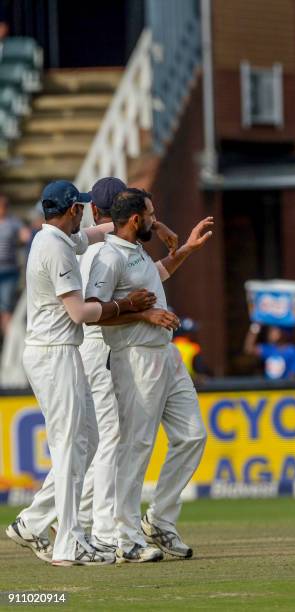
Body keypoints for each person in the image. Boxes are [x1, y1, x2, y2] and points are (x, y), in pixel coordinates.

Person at [5, 180, 155, 566]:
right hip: (55, 354)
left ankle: (33, 523)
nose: (86, 215)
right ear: (72, 209)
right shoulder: (56, 249)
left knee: (84, 440)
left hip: (58, 352)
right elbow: (81, 313)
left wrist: (130, 225)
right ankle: (68, 542)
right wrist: (126, 305)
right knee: (72, 447)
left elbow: (89, 234)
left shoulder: (53, 236)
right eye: (81, 209)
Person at [86, 188, 212, 563]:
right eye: (151, 215)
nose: (156, 221)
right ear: (135, 220)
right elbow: (94, 311)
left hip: (166, 353)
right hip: (135, 356)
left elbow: (157, 275)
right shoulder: (107, 258)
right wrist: (143, 315)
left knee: (192, 436)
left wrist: (186, 249)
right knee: (137, 445)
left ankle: (158, 521)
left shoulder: (135, 251)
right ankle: (123, 535)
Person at [0, 194, 31, 336]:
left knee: (6, 307)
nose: (3, 208)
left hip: (9, 271)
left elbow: (26, 236)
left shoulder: (13, 222)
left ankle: (7, 342)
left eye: (5, 205)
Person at [172, 317, 213, 384]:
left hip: (170, 381)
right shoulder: (193, 347)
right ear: (187, 334)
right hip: (187, 381)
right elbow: (199, 367)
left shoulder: (170, 345)